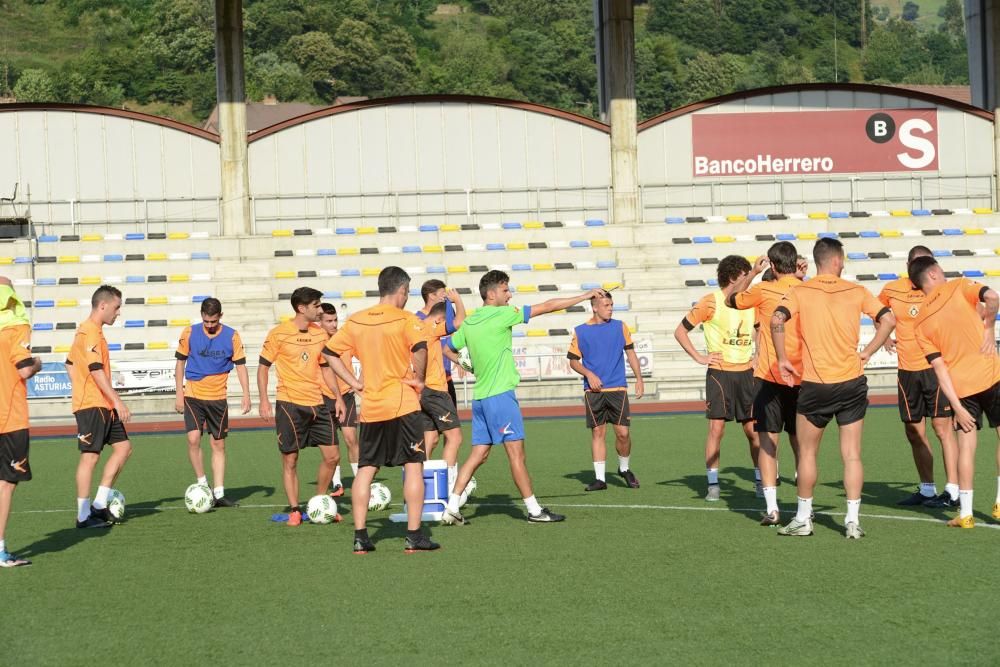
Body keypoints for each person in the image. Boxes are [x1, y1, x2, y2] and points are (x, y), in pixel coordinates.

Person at [439, 270, 606, 525]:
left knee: (478, 454)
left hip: (480, 399)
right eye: (506, 290)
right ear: (492, 293)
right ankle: (534, 510)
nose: (510, 294)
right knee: (517, 455)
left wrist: (467, 364)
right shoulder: (504, 314)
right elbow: (548, 306)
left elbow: (447, 348)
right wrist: (584, 296)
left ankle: (451, 506)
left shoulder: (470, 322)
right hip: (501, 398)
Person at [771, 238, 896, 539]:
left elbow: (776, 320)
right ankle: (852, 521)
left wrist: (782, 359)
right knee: (852, 454)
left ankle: (803, 518)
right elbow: (889, 319)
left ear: (817, 261)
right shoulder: (857, 291)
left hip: (816, 384)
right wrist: (867, 352)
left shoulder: (800, 291)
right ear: (838, 260)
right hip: (851, 381)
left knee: (808, 454)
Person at [322, 266, 437, 554]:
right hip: (402, 404)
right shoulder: (406, 319)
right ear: (401, 290)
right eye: (407, 292)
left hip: (371, 406)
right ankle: (414, 535)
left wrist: (354, 383)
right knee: (413, 466)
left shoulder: (357, 320)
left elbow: (329, 353)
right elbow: (421, 348)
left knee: (365, 469)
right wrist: (420, 379)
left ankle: (361, 535)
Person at [910, 256, 1000, 528]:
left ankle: (966, 513)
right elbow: (993, 297)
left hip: (960, 388)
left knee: (966, 448)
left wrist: (957, 407)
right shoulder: (960, 285)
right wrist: (989, 327)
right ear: (935, 273)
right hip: (992, 375)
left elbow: (939, 369)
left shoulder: (920, 322)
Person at [727, 241, 803, 525]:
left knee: (768, 441)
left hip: (770, 376)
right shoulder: (805, 290)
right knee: (803, 444)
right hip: (801, 375)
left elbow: (731, 299)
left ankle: (772, 508)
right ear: (795, 264)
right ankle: (804, 506)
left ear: (771, 265)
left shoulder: (762, 289)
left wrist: (752, 273)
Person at [878, 246, 959, 508]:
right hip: (907, 370)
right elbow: (877, 311)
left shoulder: (940, 290)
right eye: (914, 265)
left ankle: (953, 491)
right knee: (914, 431)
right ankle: (927, 489)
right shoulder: (892, 289)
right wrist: (885, 336)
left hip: (935, 368)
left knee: (942, 428)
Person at [674, 255, 760, 502]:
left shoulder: (750, 302)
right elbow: (680, 332)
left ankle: (759, 481)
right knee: (716, 429)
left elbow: (760, 331)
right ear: (734, 277)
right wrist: (700, 357)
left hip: (747, 374)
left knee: (754, 432)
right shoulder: (710, 302)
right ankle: (713, 485)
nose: (750, 280)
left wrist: (759, 356)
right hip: (720, 374)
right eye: (746, 275)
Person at [257, 287, 345, 527]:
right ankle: (295, 509)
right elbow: (263, 367)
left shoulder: (320, 335)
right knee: (291, 460)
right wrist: (263, 399)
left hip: (318, 402)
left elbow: (326, 368)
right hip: (290, 405)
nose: (320, 310)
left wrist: (337, 396)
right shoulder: (278, 334)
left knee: (333, 456)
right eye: (316, 305)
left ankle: (319, 502)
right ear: (301, 308)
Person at [174, 297, 251, 508]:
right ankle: (202, 485)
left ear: (220, 317)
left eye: (213, 321)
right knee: (193, 439)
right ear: (201, 316)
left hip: (218, 398)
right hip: (193, 394)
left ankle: (219, 493)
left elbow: (241, 366)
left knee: (218, 443)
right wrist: (179, 393)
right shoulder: (189, 333)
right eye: (206, 321)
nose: (209, 325)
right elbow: (180, 364)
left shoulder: (232, 336)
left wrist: (246, 394)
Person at [69, 285, 134, 529]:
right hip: (93, 405)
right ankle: (83, 516)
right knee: (90, 457)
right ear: (103, 305)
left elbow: (69, 364)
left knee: (124, 448)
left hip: (101, 403)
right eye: (117, 308)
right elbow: (95, 369)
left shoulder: (90, 331)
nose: (118, 313)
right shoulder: (90, 332)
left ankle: (98, 505)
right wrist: (117, 400)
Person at [567, 290, 644, 491]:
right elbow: (573, 361)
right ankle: (600, 479)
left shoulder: (620, 327)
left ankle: (624, 469)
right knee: (598, 432)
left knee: (623, 434)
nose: (610, 309)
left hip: (618, 387)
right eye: (606, 306)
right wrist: (588, 374)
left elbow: (631, 353)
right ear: (594, 307)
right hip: (593, 391)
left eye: (611, 305)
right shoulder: (581, 331)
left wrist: (639, 379)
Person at [0, 278, 41, 567]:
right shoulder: (17, 328)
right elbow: (25, 370)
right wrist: (37, 362)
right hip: (10, 417)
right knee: (6, 484)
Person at [415, 280, 466, 492]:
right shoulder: (430, 326)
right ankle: (450, 487)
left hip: (425, 390)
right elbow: (459, 322)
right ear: (439, 319)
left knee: (430, 437)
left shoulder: (417, 327)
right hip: (436, 390)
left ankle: (418, 485)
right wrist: (458, 300)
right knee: (455, 437)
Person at [318, 303, 359, 496]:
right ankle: (336, 483)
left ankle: (359, 479)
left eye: (335, 320)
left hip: (346, 396)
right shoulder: (316, 341)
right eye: (329, 321)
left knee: (351, 439)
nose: (333, 324)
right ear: (320, 322)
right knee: (331, 443)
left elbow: (367, 357)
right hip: (324, 398)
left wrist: (359, 382)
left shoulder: (346, 338)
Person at [417, 279, 466, 408]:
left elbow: (454, 337)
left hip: (446, 379)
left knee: (450, 423)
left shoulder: (445, 315)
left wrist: (458, 356)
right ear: (432, 295)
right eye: (443, 293)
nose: (447, 296)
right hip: (428, 384)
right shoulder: (417, 320)